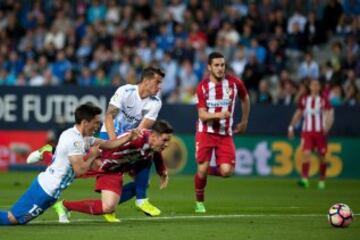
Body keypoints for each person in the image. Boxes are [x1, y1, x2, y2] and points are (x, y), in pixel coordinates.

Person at [0, 103, 140, 225]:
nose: (98, 127)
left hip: (49, 191)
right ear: (85, 122)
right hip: (44, 191)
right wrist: (92, 156)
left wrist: (128, 138)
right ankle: (46, 152)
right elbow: (79, 171)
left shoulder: (81, 137)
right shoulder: (74, 141)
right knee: (12, 219)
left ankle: (47, 152)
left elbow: (108, 144)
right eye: (96, 123)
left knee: (17, 220)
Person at [52, 120, 173, 223]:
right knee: (62, 170)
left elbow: (155, 153)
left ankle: (65, 206)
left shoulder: (152, 144)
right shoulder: (136, 139)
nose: (167, 144)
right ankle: (47, 152)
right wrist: (99, 160)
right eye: (164, 140)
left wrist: (162, 171)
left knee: (110, 205)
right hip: (103, 164)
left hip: (116, 169)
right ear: (153, 136)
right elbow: (109, 145)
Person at [95, 66, 166, 221]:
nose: (159, 86)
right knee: (88, 169)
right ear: (146, 81)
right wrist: (115, 143)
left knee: (145, 160)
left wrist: (128, 145)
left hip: (129, 138)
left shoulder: (156, 102)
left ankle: (140, 201)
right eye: (157, 82)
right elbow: (108, 117)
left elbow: (141, 130)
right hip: (109, 135)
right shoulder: (125, 91)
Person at [194, 52, 250, 213]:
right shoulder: (203, 87)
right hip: (205, 132)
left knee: (227, 172)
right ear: (209, 67)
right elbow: (202, 115)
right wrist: (218, 115)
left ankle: (201, 172)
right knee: (203, 169)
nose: (220, 68)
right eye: (216, 65)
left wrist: (245, 120)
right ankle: (199, 202)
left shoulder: (234, 83)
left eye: (222, 65)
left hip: (225, 134)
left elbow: (245, 98)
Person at [288, 78, 334, 189]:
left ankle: (322, 180)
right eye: (313, 85)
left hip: (320, 132)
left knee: (322, 156)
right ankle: (305, 179)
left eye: (317, 85)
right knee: (306, 154)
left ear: (320, 87)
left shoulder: (323, 99)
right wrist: (291, 127)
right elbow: (298, 113)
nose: (315, 87)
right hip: (307, 132)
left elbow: (329, 113)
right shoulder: (304, 99)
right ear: (310, 87)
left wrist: (327, 126)